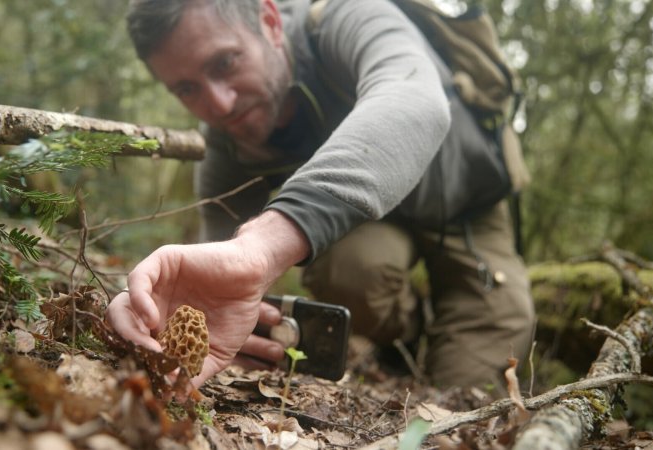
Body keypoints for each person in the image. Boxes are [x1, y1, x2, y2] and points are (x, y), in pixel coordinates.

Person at [106, 0, 535, 389]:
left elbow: (416, 102)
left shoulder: (346, 17)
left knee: (470, 394)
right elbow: (211, 263)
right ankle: (403, 338)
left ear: (271, 23)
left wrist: (265, 244)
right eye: (187, 89)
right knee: (350, 272)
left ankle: (451, 319)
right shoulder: (227, 143)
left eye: (225, 63)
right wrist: (154, 308)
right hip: (371, 226)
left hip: (468, 210)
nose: (219, 104)